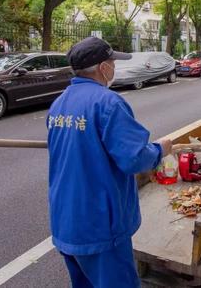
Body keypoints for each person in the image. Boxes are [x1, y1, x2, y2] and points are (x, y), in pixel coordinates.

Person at [46, 36, 173, 287]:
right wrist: (161, 150)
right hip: (99, 225)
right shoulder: (108, 102)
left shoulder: (59, 104)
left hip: (65, 220)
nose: (115, 67)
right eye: (112, 62)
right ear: (103, 68)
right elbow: (135, 158)